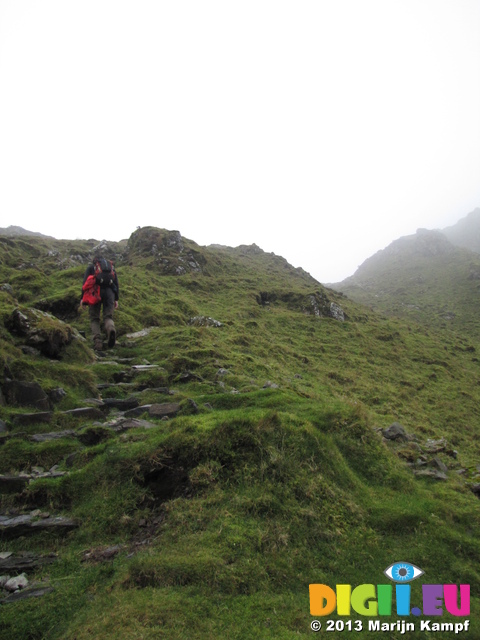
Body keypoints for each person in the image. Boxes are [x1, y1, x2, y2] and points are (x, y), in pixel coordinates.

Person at [80, 256, 119, 352]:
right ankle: (111, 329)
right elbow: (116, 283)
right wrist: (116, 299)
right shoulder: (111, 268)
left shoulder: (91, 268)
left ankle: (98, 343)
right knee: (108, 317)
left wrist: (83, 299)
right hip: (110, 293)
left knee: (94, 318)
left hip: (96, 292)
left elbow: (85, 283)